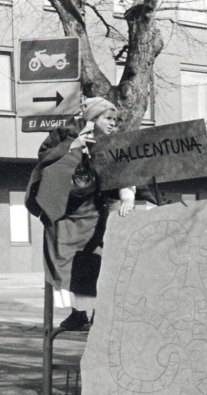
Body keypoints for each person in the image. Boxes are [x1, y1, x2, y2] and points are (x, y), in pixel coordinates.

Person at [26, 97, 138, 330]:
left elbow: (124, 171)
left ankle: (99, 314)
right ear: (92, 118)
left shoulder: (111, 144)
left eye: (116, 121)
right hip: (65, 216)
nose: (113, 124)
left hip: (94, 215)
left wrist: (128, 195)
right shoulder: (65, 135)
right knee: (66, 265)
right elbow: (46, 163)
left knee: (96, 264)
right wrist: (74, 146)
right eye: (108, 118)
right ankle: (77, 314)